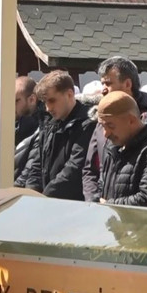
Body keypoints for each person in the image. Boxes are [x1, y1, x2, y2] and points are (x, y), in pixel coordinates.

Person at [82, 57, 147, 201]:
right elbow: (91, 169)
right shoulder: (105, 118)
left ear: (128, 84)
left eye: (108, 83)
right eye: (102, 83)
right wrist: (94, 201)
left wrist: (109, 205)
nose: (103, 89)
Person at [21, 70, 96, 200]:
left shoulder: (87, 125)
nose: (48, 108)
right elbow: (37, 164)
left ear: (69, 94)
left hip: (72, 203)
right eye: (45, 102)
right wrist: (31, 192)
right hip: (49, 200)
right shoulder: (49, 123)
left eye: (52, 101)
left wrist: (44, 197)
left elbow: (74, 169)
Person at [95, 91, 147, 207]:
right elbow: (102, 186)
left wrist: (109, 205)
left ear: (131, 120)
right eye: (103, 126)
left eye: (111, 126)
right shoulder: (113, 147)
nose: (105, 134)